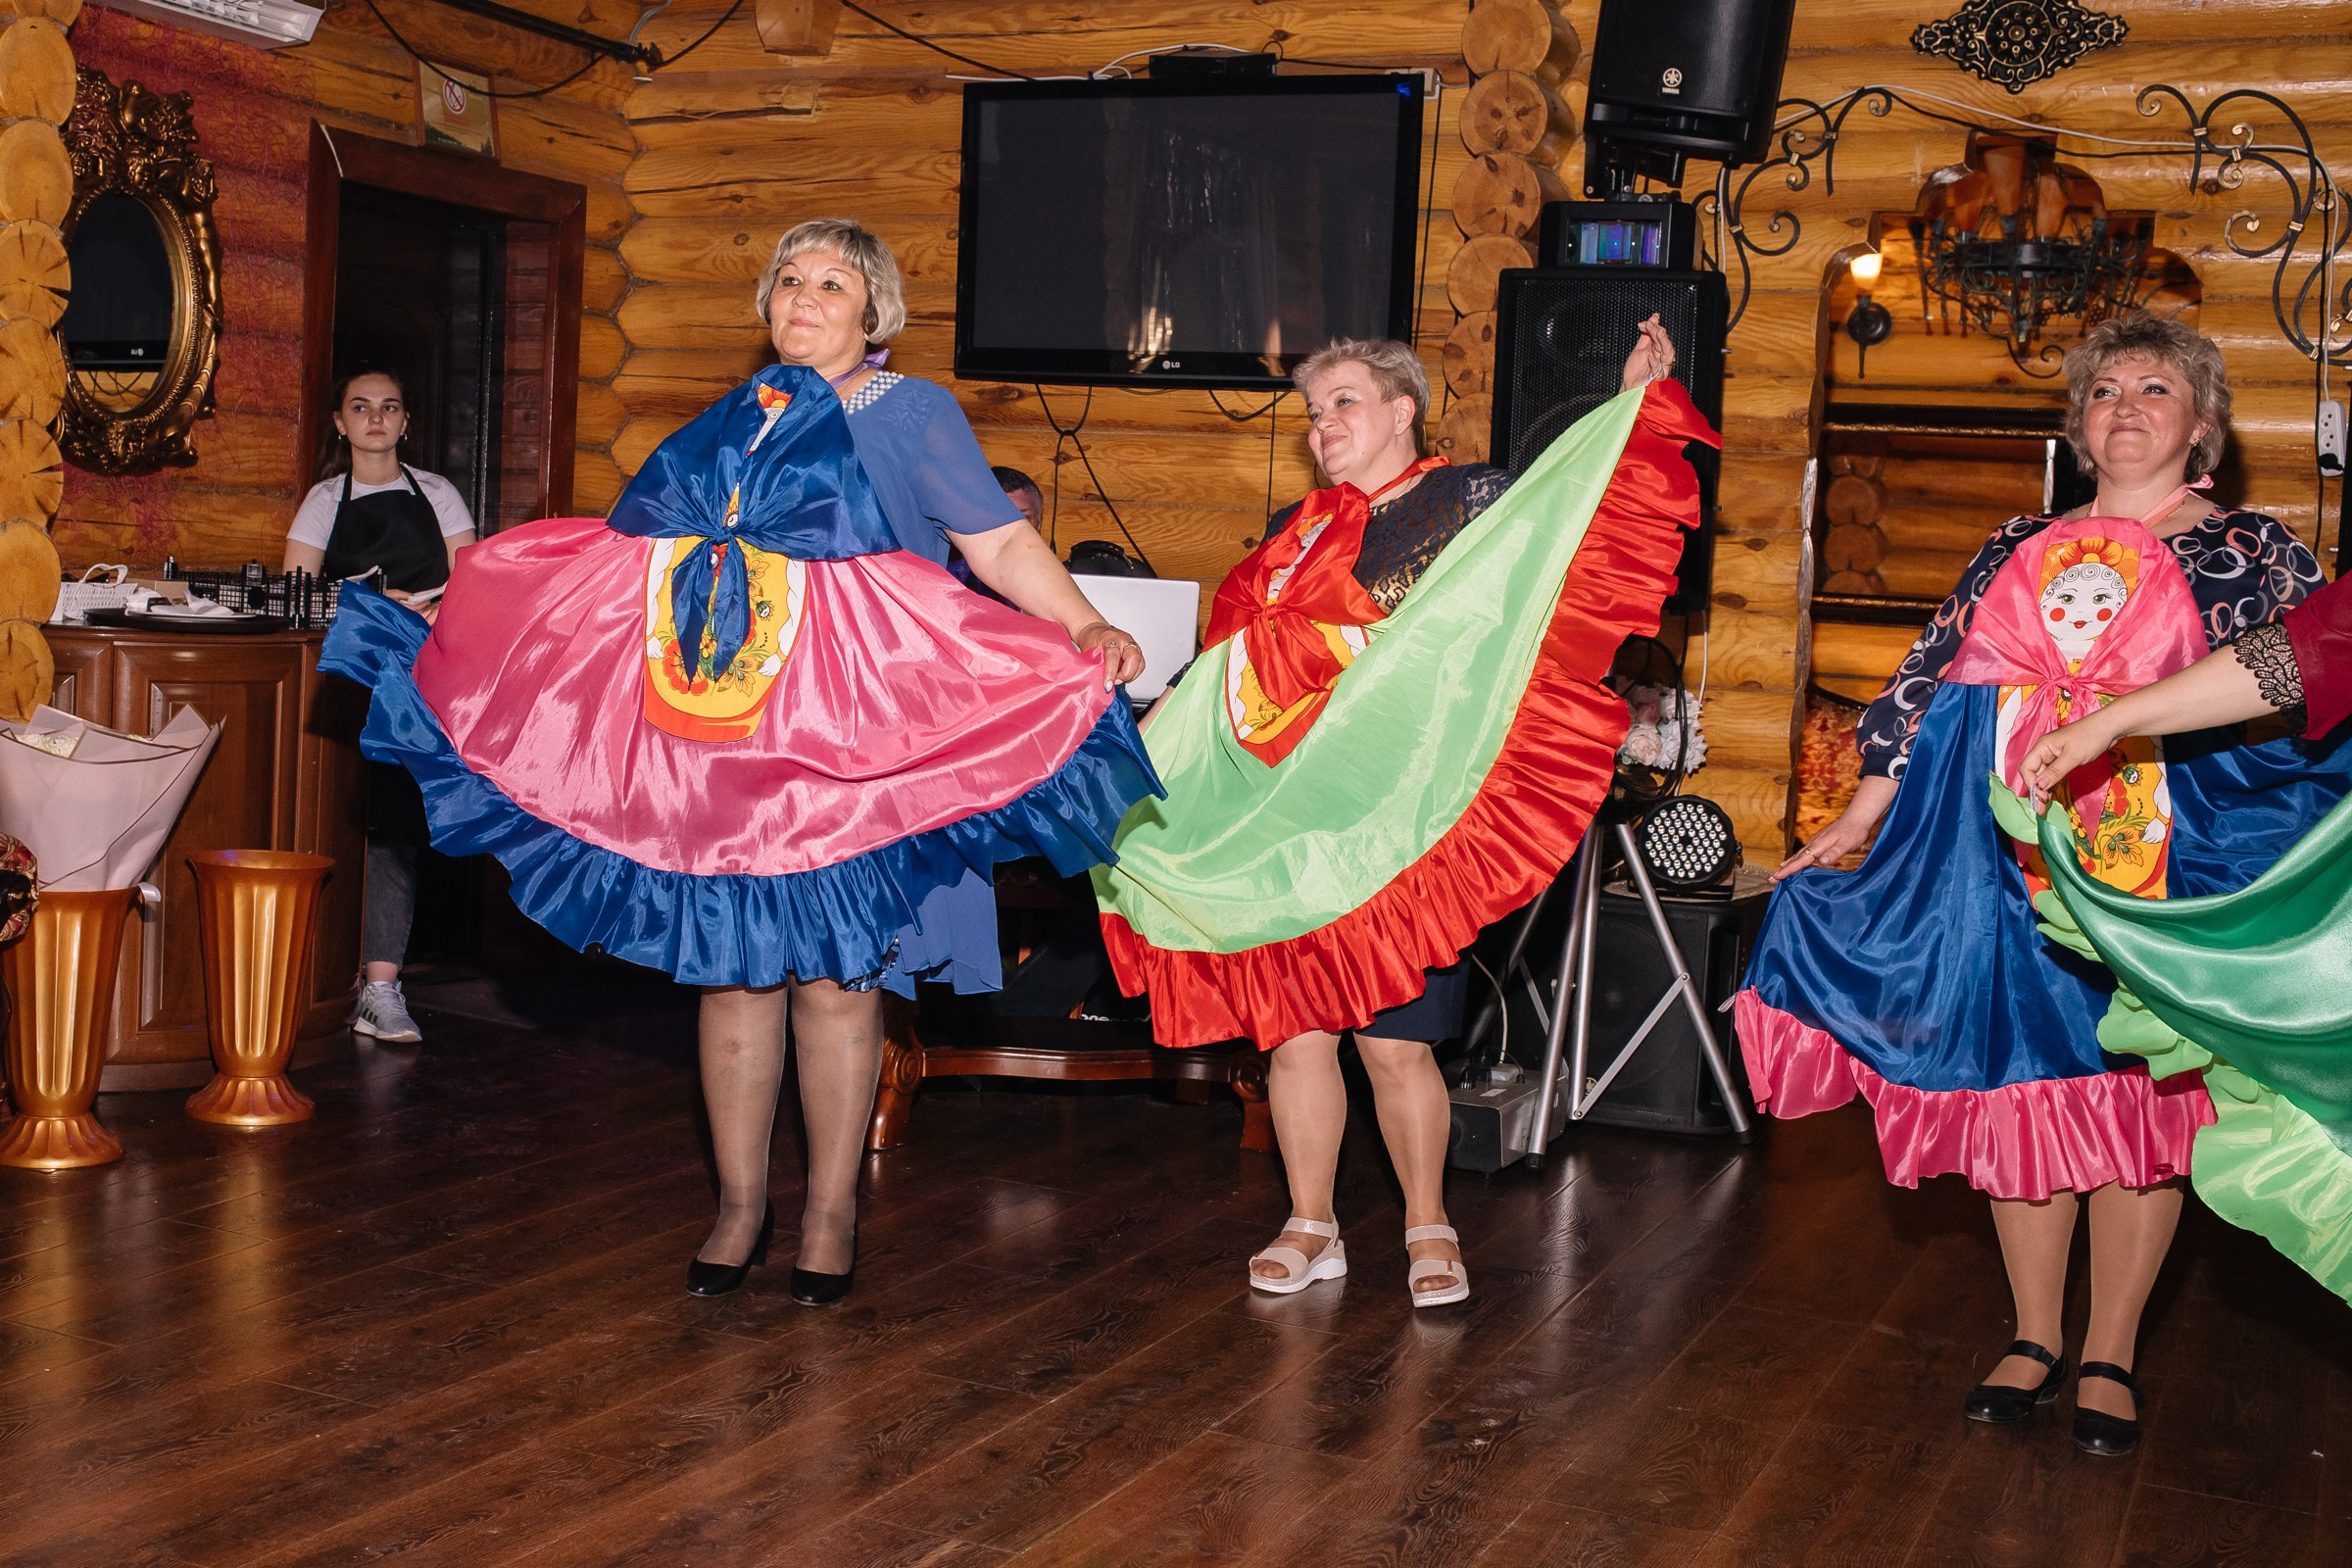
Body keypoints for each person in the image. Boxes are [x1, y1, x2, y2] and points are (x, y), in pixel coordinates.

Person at [320, 218, 1154, 1308]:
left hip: (856, 736)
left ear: (875, 313)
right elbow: (626, 561)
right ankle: (739, 1205)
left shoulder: (911, 413)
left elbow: (995, 541)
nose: (805, 298)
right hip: (727, 731)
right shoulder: (733, 419)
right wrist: (467, 614)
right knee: (734, 976)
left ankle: (829, 1210)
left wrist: (1084, 626)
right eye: (790, 281)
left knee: (837, 985)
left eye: (833, 284)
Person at [1735, 309, 2328, 1457]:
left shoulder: (2254, 551)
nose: (2127, 409)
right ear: (2080, 423)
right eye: (2106, 391)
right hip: (2010, 863)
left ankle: (2110, 1346)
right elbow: (1930, 678)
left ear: (2201, 423)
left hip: (2173, 872)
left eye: (2155, 389)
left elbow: (2305, 691)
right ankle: (2034, 1332)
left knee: (2142, 1108)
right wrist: (1862, 809)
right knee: (2026, 1085)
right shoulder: (2017, 546)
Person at [1096, 321, 1697, 1310]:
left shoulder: (1469, 499)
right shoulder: (1297, 535)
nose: (1322, 422)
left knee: (1394, 1039)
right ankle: (1310, 1221)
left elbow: (1563, 525)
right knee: (1295, 1036)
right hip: (1290, 823)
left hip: (1403, 817)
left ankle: (1428, 1222)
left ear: (1401, 410)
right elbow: (1234, 669)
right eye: (1313, 409)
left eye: (1343, 402)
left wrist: (1624, 409)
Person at [285, 368, 476, 1045]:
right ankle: (297, 985)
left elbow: (474, 582)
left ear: (404, 423)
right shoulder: (321, 500)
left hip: (419, 677)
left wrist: (425, 607)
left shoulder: (439, 495)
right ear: (340, 422)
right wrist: (366, 605)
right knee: (330, 819)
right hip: (346, 680)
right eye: (360, 407)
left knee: (397, 822)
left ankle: (382, 987)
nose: (375, 418)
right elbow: (297, 594)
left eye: (389, 408)